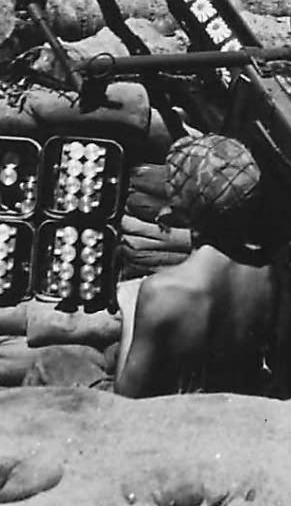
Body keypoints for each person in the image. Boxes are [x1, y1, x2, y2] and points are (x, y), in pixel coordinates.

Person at [114, 134, 278, 398]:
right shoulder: (267, 273)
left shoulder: (162, 291)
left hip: (176, 412)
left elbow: (125, 396)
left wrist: (130, 311)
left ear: (178, 211)